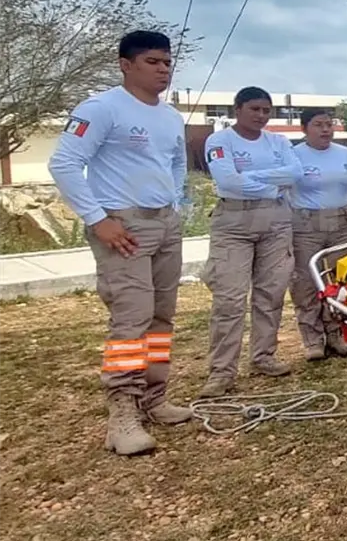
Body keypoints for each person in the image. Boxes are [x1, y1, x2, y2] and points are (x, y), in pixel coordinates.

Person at [48, 30, 192, 456]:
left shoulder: (169, 117)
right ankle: (122, 414)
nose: (163, 69)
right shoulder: (103, 108)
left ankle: (154, 398)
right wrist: (98, 219)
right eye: (152, 61)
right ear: (126, 64)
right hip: (122, 224)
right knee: (132, 319)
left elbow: (177, 162)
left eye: (167, 62)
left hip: (164, 222)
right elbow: (65, 163)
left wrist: (177, 203)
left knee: (161, 317)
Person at [199, 87, 303, 398]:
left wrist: (253, 177)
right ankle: (221, 370)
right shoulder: (220, 141)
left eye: (266, 111)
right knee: (229, 299)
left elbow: (295, 173)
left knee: (271, 293)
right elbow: (228, 181)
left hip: (275, 221)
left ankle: (263, 356)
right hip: (234, 220)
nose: (260, 116)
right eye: (254, 109)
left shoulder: (278, 141)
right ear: (238, 109)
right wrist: (272, 184)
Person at [288, 108, 347, 361]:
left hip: (340, 223)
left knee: (338, 280)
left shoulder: (346, 155)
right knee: (306, 282)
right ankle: (312, 340)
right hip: (305, 225)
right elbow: (285, 188)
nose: (325, 130)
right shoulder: (293, 155)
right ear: (304, 128)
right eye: (318, 124)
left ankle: (336, 333)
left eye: (329, 124)